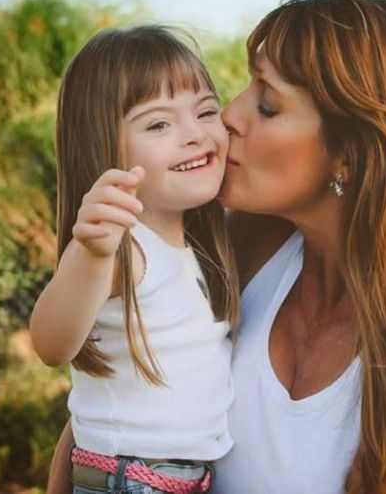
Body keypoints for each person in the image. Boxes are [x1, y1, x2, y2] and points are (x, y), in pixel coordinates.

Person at [47, 0, 386, 494]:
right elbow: (111, 411)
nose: (228, 116)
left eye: (268, 106)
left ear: (350, 156)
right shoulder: (240, 244)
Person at [30, 25, 240, 494]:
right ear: (103, 146)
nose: (195, 134)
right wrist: (90, 253)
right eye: (159, 124)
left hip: (177, 480)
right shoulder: (122, 247)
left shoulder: (197, 245)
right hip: (134, 481)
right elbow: (50, 344)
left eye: (207, 111)